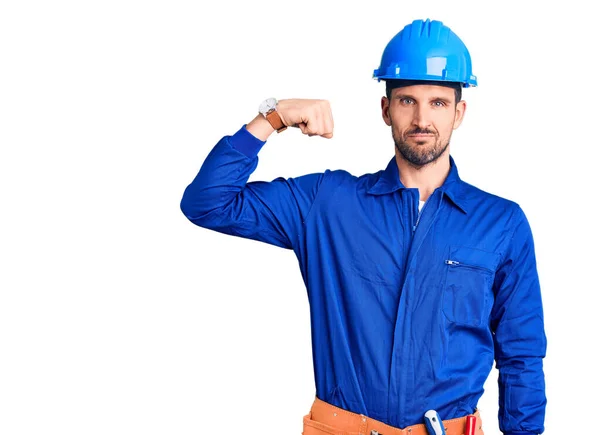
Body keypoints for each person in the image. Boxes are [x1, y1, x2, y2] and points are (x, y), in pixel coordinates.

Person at [180, 18, 546, 435]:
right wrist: (274, 117)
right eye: (407, 100)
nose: (422, 118)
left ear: (459, 112)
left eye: (438, 103)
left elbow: (522, 354)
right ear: (386, 109)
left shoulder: (501, 223)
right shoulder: (329, 203)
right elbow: (208, 203)